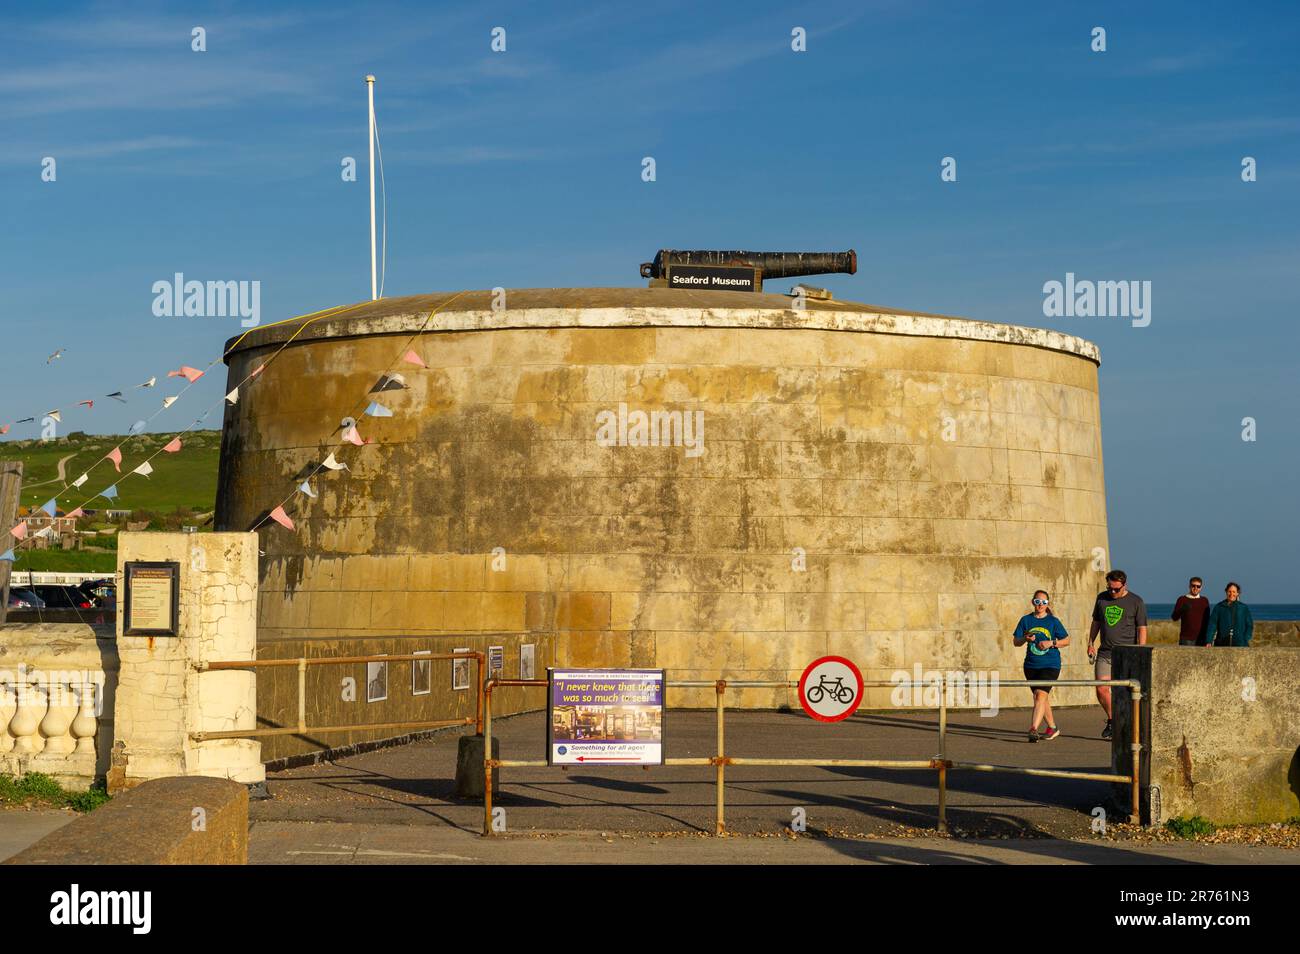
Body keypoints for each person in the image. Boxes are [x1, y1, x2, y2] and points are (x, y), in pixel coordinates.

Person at [1087, 569, 1147, 741]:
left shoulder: (1136, 601)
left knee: (1125, 692)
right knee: (1101, 688)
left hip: (1127, 653)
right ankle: (1113, 720)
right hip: (1105, 652)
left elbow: (1142, 628)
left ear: (1124, 585)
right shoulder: (1101, 598)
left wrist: (1140, 650)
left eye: (1116, 589)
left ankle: (1129, 727)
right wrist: (1090, 643)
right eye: (1110, 588)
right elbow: (1096, 622)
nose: (1112, 592)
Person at [1013, 590, 1069, 742]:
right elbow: (1016, 642)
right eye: (1037, 602)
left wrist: (1051, 643)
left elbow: (1066, 640)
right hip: (1031, 666)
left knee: (1040, 696)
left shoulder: (1053, 621)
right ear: (1033, 602)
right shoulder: (1025, 620)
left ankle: (1033, 729)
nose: (1040, 605)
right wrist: (1025, 638)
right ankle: (1052, 727)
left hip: (1050, 664)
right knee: (1041, 698)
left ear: (1047, 604)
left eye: (1043, 602)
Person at [1203, 582, 1253, 647]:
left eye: (1234, 592)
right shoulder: (1219, 607)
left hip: (1240, 645)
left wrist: (1245, 639)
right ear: (1226, 592)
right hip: (1222, 644)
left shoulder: (1243, 608)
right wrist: (1209, 641)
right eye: (1229, 591)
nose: (1231, 594)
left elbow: (1249, 625)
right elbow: (1212, 625)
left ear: (1237, 593)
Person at [1172, 577, 1210, 646]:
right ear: (1189, 586)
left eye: (1198, 586)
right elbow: (1174, 617)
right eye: (1193, 586)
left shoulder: (1204, 600)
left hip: (1201, 638)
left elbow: (1207, 620)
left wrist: (1208, 638)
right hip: (1186, 638)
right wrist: (1182, 609)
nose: (1195, 588)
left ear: (1201, 588)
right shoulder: (1182, 599)